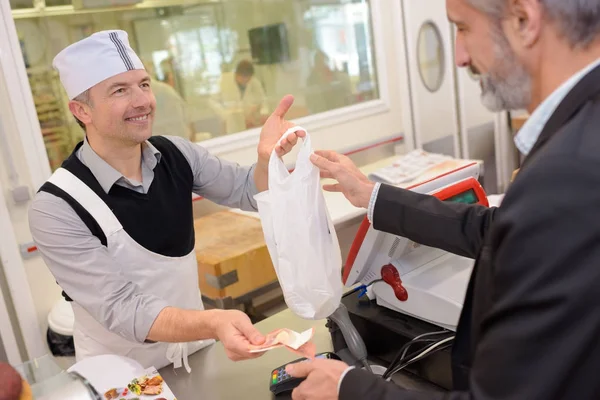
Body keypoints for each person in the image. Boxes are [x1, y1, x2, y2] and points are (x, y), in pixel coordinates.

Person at [286, 0, 600, 399]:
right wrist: (371, 196)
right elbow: (492, 227)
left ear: (524, 19)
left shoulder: (571, 172)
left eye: (463, 27)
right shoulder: (579, 133)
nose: (459, 56)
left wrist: (349, 388)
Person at [28, 30, 304, 372]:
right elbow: (122, 308)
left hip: (195, 355)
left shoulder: (176, 154)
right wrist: (213, 322)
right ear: (81, 110)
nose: (143, 100)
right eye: (120, 90)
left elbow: (248, 190)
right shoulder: (57, 207)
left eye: (144, 84)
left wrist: (267, 160)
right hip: (121, 375)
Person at [218, 59, 266, 128]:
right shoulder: (224, 81)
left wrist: (262, 113)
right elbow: (213, 101)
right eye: (243, 78)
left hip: (250, 122)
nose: (246, 81)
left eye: (248, 79)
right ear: (237, 74)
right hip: (230, 122)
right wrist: (226, 115)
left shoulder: (254, 82)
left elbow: (262, 100)